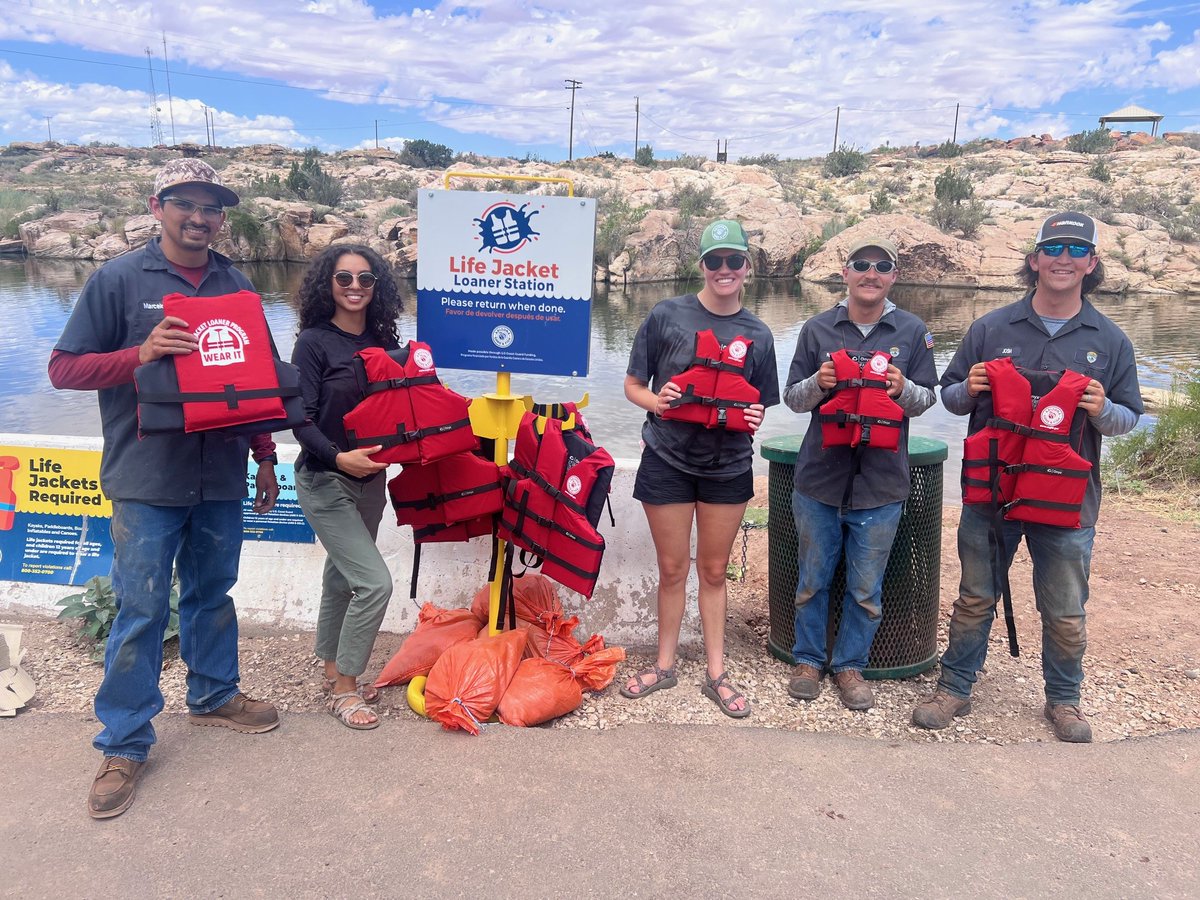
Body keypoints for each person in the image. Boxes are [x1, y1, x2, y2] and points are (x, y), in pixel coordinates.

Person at [49, 159, 281, 820]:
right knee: (142, 609)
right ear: (158, 206)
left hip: (220, 475)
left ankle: (212, 695)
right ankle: (123, 742)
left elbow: (256, 378)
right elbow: (64, 369)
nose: (200, 217)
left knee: (212, 593)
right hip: (147, 478)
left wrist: (265, 456)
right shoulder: (117, 279)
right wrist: (140, 355)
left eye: (211, 207)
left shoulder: (236, 284)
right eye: (186, 203)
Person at [912, 211, 1142, 743]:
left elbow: (1129, 419)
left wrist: (1103, 408)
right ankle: (955, 687)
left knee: (1064, 610)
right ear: (1034, 260)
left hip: (1068, 501)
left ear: (1092, 263)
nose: (1064, 259)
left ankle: (1063, 699)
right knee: (975, 595)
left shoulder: (1110, 341)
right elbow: (947, 397)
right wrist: (968, 388)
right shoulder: (990, 328)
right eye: (1053, 248)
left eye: (1076, 250)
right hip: (992, 494)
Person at [620, 219, 780, 718]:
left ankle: (716, 673)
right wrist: (659, 401)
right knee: (672, 569)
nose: (725, 270)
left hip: (727, 466)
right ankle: (664, 666)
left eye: (734, 260)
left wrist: (754, 415)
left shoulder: (758, 333)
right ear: (703, 266)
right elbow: (632, 387)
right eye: (716, 261)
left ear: (747, 267)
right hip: (666, 459)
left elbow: (760, 406)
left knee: (713, 571)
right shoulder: (666, 316)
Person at [782, 237, 937, 710]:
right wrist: (818, 384)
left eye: (882, 266)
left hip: (881, 485)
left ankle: (851, 666)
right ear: (844, 273)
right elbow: (791, 398)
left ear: (893, 276)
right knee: (812, 580)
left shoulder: (912, 331)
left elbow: (929, 400)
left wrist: (903, 387)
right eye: (861, 265)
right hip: (818, 482)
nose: (871, 273)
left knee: (866, 589)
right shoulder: (816, 329)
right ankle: (808, 660)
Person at [290, 244, 403, 731]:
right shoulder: (313, 342)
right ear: (327, 285)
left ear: (378, 287)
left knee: (341, 576)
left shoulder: (384, 340)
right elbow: (301, 419)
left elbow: (401, 409)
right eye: (344, 278)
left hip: (372, 480)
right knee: (373, 582)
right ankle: (345, 688)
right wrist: (339, 457)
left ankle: (331, 664)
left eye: (365, 279)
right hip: (325, 477)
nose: (355, 287)